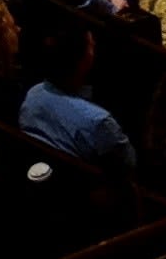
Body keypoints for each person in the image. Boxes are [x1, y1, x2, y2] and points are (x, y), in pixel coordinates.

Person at [18, 23, 137, 168]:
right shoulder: (100, 122)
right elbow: (129, 164)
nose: (94, 45)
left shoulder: (34, 93)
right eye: (91, 45)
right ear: (83, 60)